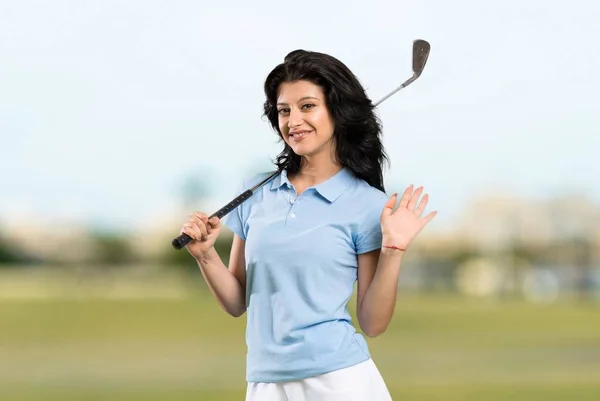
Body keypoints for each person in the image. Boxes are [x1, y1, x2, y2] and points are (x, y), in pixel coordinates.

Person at [179, 49, 437, 401]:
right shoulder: (254, 192)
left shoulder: (368, 205)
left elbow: (374, 323)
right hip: (264, 383)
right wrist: (205, 256)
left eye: (307, 106)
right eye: (284, 110)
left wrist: (393, 250)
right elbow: (238, 302)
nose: (293, 120)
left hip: (340, 382)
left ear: (338, 112)